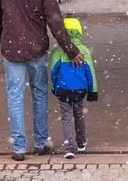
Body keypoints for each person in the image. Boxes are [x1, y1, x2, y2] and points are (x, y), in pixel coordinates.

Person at [0, 0, 83, 161]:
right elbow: (55, 22)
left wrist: (4, 37)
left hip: (12, 50)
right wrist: (71, 50)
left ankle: (19, 147)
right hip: (37, 49)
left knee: (14, 96)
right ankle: (40, 142)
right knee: (39, 94)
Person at [48, 17, 99, 159]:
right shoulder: (84, 51)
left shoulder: (57, 51)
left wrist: (54, 87)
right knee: (78, 115)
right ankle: (81, 143)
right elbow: (91, 73)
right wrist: (92, 90)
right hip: (80, 89)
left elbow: (53, 71)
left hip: (63, 89)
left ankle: (69, 147)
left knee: (66, 117)